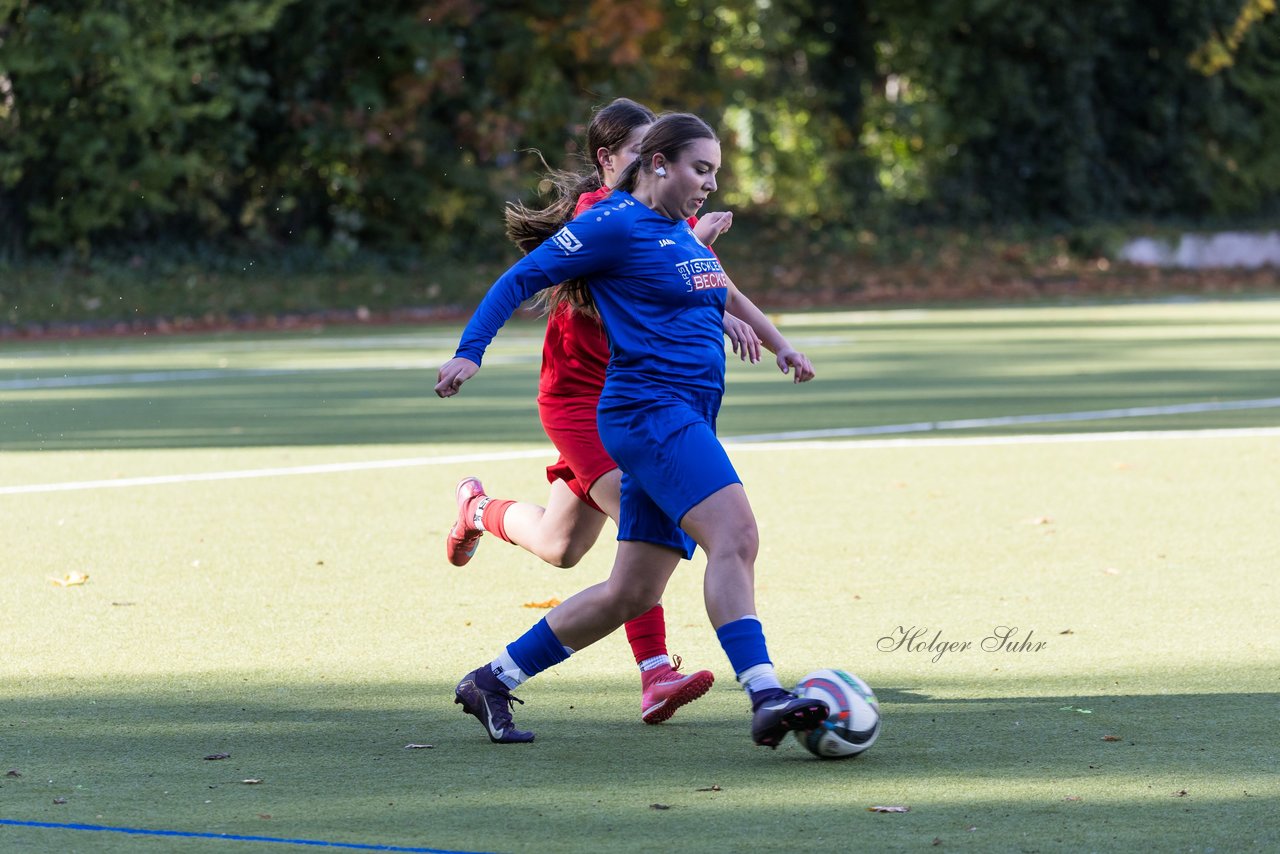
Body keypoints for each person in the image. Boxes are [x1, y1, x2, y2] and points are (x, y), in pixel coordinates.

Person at [436, 112, 827, 750]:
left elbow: (706, 290)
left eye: (716, 173)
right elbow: (520, 278)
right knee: (737, 535)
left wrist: (777, 344)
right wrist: (470, 351)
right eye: (701, 170)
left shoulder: (678, 232)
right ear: (657, 163)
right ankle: (765, 693)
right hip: (650, 412)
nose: (710, 184)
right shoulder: (611, 222)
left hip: (683, 411)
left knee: (632, 589)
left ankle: (491, 679)